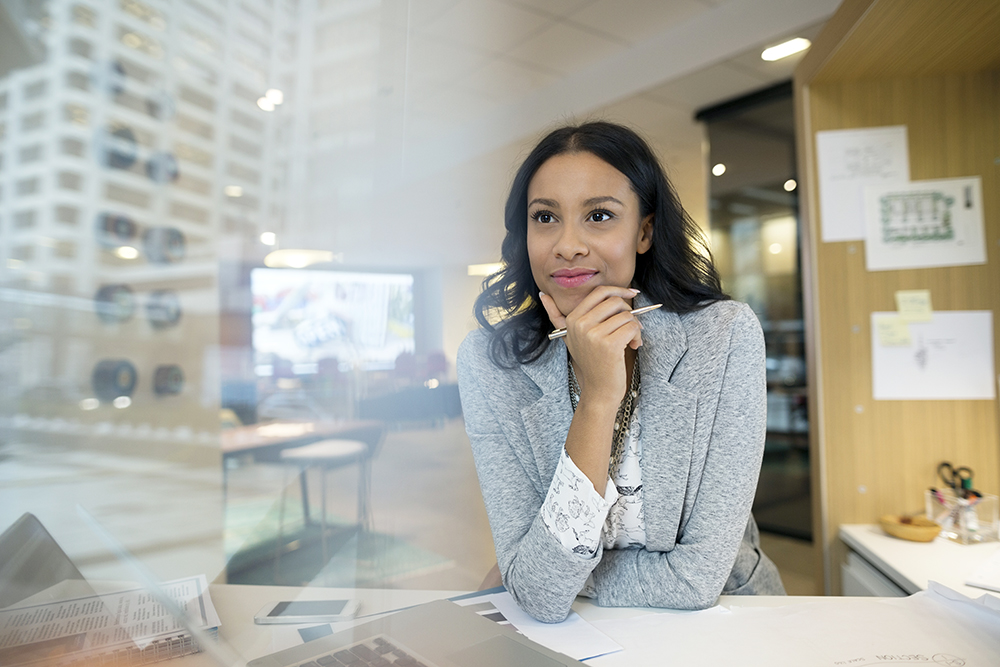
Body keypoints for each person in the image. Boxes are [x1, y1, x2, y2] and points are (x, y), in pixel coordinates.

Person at [457, 121, 785, 623]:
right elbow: (538, 595)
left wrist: (543, 575)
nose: (567, 244)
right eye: (545, 217)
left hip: (726, 622)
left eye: (600, 215)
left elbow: (698, 579)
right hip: (579, 634)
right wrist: (598, 399)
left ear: (644, 231)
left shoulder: (723, 336)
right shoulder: (490, 363)